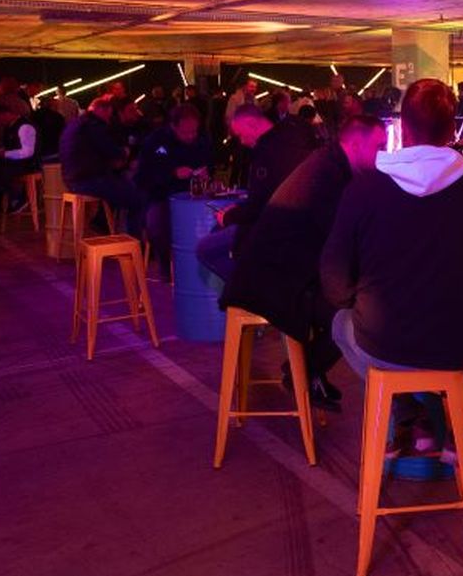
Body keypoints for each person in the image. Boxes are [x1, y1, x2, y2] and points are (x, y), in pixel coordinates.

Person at [322, 79, 463, 464]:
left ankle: (407, 412)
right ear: (452, 132)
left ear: (401, 128)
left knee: (340, 324)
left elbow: (334, 282)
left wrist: (364, 301)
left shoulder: (362, 191)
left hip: (385, 343)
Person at [225, 115, 387, 410]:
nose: (383, 154)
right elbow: (341, 242)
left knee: (353, 302)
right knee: (358, 314)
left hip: (282, 274)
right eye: (379, 146)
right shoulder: (329, 175)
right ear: (355, 143)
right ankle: (306, 372)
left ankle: (307, 372)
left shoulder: (331, 165)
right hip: (275, 283)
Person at [195, 102, 320, 280]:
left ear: (251, 124)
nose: (242, 141)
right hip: (302, 223)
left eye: (241, 135)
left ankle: (246, 289)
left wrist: (230, 216)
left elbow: (261, 203)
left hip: (276, 228)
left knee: (206, 248)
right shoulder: (294, 138)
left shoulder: (269, 151)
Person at [135, 103, 211, 274]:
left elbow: (209, 166)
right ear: (173, 127)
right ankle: (166, 267)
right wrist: (173, 173)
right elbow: (143, 176)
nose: (191, 136)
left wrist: (205, 174)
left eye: (194, 131)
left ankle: (201, 267)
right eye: (185, 132)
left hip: (193, 196)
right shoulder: (156, 141)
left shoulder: (202, 141)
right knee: (158, 223)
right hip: (161, 196)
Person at [59, 94, 145, 236]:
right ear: (101, 110)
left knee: (120, 184)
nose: (108, 120)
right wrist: (125, 151)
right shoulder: (94, 125)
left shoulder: (76, 123)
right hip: (87, 180)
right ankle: (134, 242)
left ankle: (102, 224)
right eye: (108, 116)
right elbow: (111, 151)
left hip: (72, 179)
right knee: (137, 197)